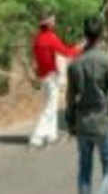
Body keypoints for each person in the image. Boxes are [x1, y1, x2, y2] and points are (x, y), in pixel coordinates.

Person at [66, 16, 108, 194]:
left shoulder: (74, 64)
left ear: (85, 34)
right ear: (101, 34)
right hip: (102, 123)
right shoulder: (107, 62)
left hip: (82, 123)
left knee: (84, 169)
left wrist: (70, 121)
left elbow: (70, 97)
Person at [29, 13, 82, 148]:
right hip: (51, 77)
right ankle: (36, 137)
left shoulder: (37, 39)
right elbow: (66, 52)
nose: (54, 22)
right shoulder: (51, 38)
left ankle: (51, 136)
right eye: (53, 20)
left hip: (43, 77)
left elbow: (37, 60)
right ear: (48, 23)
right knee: (49, 107)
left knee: (52, 106)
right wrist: (79, 48)